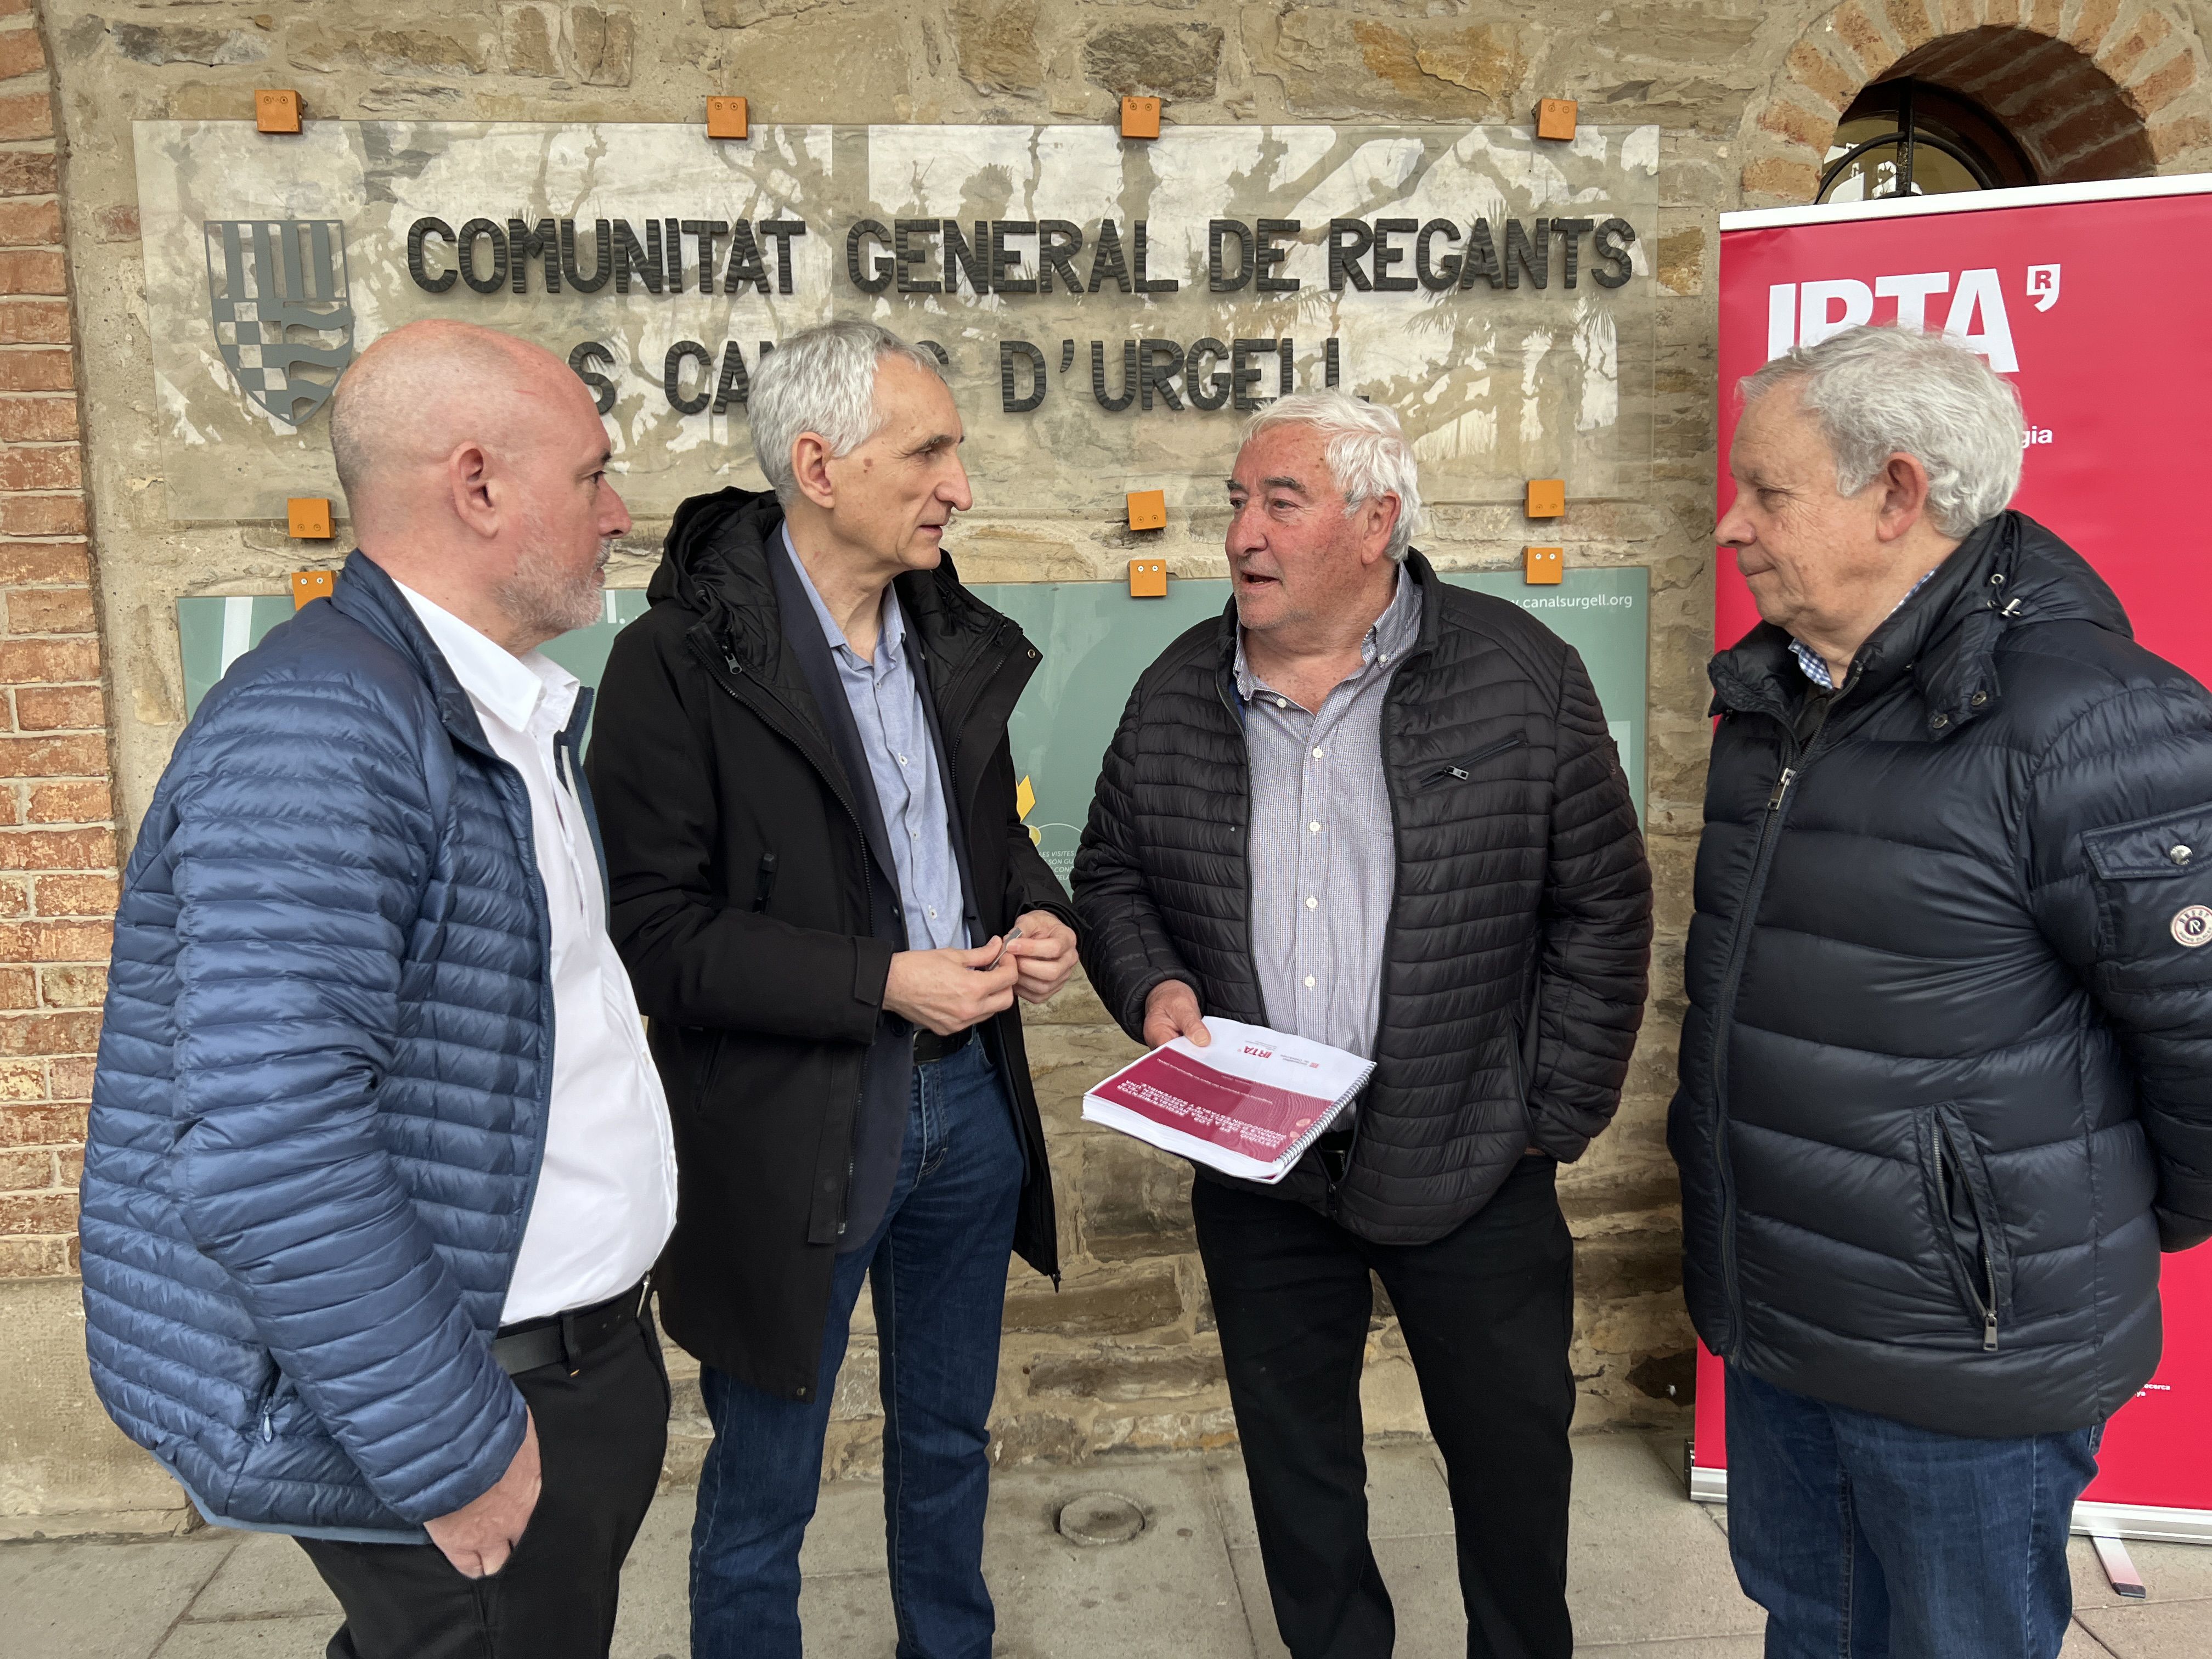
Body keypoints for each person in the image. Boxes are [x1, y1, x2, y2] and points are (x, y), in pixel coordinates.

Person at [78, 320, 676, 1658]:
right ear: (478, 486)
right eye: (592, 475)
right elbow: (268, 1142)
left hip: (553, 1367)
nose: (621, 513)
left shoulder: (482, 707)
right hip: (468, 1399)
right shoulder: (324, 730)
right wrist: (451, 1449)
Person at [1073, 390, 1652, 1659]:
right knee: (1299, 1477)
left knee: (1510, 1470)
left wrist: (1545, 1117)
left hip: (1472, 1156)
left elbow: (1602, 907)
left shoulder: (1522, 676)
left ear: (1378, 520)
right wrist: (1154, 990)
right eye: (1237, 502)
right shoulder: (1177, 687)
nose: (1240, 536)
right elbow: (1111, 873)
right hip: (1263, 1170)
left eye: (1280, 502)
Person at [1677, 323, 2212, 1658]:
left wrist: (2034, 1247)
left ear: (1898, 496)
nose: (1731, 527)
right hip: (1782, 1308)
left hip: (1970, 1351)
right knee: (1811, 1627)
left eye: (1767, 492)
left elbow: (2201, 1040)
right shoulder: (1772, 704)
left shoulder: (2095, 720)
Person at [586, 320, 1079, 1659]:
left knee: (949, 1441)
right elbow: (655, 934)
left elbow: (987, 834)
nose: (959, 487)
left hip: (970, 1112)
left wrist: (1034, 911)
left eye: (955, 455)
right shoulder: (675, 664)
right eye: (928, 453)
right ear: (818, 464)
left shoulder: (947, 633)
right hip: (786, 1127)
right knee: (765, 1484)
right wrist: (882, 983)